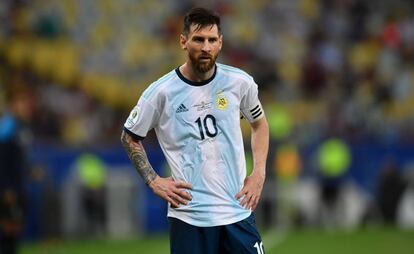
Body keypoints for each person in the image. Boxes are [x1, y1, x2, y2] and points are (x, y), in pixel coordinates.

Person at [121, 7, 269, 254]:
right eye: (198, 39)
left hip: (236, 211)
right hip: (189, 218)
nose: (206, 47)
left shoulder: (240, 83)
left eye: (212, 40)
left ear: (220, 43)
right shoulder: (161, 93)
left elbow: (260, 124)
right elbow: (130, 137)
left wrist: (259, 173)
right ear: (183, 41)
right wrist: (154, 181)